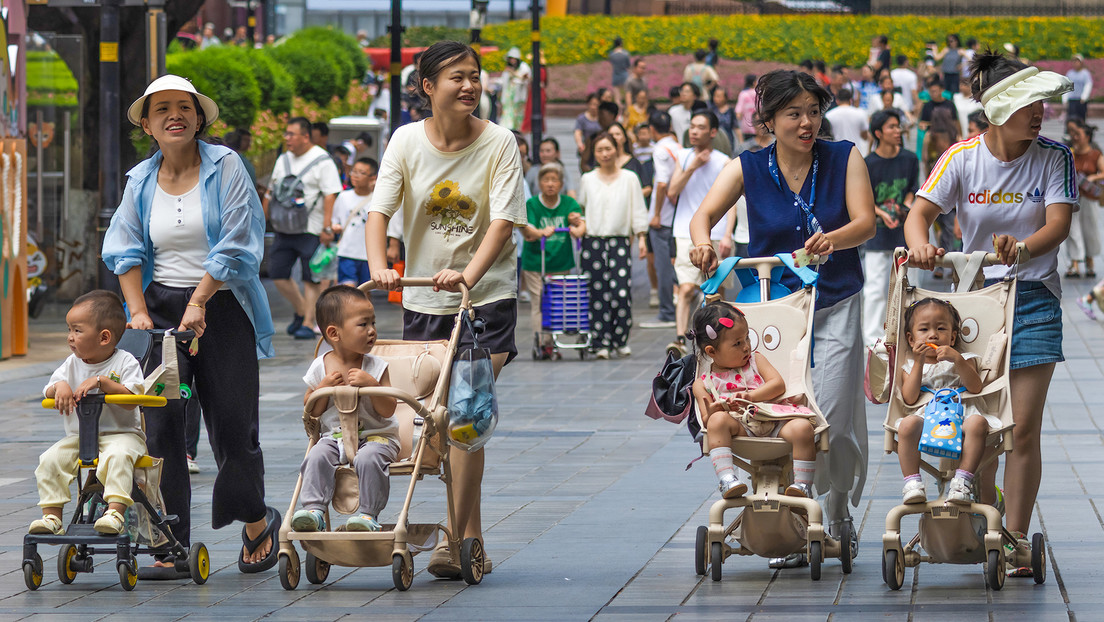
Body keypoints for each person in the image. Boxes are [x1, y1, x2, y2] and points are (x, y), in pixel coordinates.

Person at [689, 70, 876, 559]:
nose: (807, 122)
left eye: (814, 111)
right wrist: (703, 243)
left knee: (830, 416)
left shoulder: (844, 157)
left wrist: (832, 240)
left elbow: (866, 223)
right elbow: (701, 216)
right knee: (779, 416)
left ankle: (836, 510)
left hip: (835, 301)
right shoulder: (747, 166)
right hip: (772, 312)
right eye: (794, 113)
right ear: (768, 120)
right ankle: (792, 523)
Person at [904, 50, 1076, 577]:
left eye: (1042, 103)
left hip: (1033, 299)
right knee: (980, 423)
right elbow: (919, 215)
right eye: (1028, 104)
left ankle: (1016, 538)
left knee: (1020, 428)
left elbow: (1058, 224)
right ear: (997, 109)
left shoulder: (1055, 157)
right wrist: (921, 244)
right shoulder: (960, 157)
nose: (1040, 112)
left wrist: (1021, 249)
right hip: (975, 307)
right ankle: (986, 513)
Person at [102, 74, 279, 573]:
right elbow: (124, 247)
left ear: (199, 118)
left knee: (232, 424)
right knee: (161, 430)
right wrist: (137, 311)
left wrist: (200, 300)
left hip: (221, 305)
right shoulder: (140, 179)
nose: (174, 115)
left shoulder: (226, 166)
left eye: (184, 106)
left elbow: (239, 240)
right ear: (147, 125)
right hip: (160, 309)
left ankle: (255, 518)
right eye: (161, 109)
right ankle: (169, 540)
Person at [365, 41, 527, 578]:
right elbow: (379, 211)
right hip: (423, 302)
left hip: (486, 300)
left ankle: (455, 540)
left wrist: (468, 276)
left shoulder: (500, 142)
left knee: (466, 415)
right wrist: (379, 265)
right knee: (435, 423)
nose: (469, 85)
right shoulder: (405, 140)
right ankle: (469, 538)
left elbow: (503, 222)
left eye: (475, 75)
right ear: (427, 87)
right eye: (457, 77)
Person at [30, 290, 146, 537]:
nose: (70, 337)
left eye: (77, 330)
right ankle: (52, 517)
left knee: (118, 456)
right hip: (80, 438)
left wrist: (101, 382)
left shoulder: (125, 362)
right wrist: (60, 387)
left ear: (104, 337)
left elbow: (132, 398)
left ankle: (114, 513)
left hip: (122, 435)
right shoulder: (71, 363)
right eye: (69, 330)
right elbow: (49, 389)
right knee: (50, 459)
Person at [292, 286, 398, 533]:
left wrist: (372, 386)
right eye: (363, 324)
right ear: (334, 333)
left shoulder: (377, 366)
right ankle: (314, 510)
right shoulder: (320, 366)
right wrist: (322, 388)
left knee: (368, 459)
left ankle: (368, 514)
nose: (372, 331)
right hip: (334, 438)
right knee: (316, 456)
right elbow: (311, 409)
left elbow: (388, 410)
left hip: (377, 437)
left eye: (373, 323)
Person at [690, 301, 818, 500]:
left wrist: (751, 396)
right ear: (711, 352)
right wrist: (715, 412)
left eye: (747, 338)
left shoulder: (756, 360)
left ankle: (802, 485)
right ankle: (727, 479)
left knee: (803, 428)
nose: (746, 347)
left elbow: (778, 385)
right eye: (737, 343)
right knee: (716, 421)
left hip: (773, 420)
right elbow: (706, 420)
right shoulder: (703, 384)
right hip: (740, 428)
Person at [896, 298, 988, 504]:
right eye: (924, 329)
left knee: (979, 424)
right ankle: (912, 483)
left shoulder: (964, 359)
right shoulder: (910, 366)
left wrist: (958, 360)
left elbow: (976, 387)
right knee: (906, 425)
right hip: (927, 415)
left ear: (953, 336)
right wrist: (919, 363)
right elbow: (909, 398)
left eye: (941, 328)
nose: (933, 335)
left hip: (962, 413)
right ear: (911, 339)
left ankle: (962, 481)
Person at [264, 116, 344, 339]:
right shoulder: (283, 159)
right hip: (284, 228)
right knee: (277, 273)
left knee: (311, 278)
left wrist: (326, 227)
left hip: (312, 229)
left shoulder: (322, 161)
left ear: (306, 136)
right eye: (286, 133)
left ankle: (308, 323)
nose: (287, 138)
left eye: (291, 134)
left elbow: (330, 195)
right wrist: (263, 217)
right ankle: (301, 310)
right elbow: (271, 191)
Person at [667, 111, 734, 355]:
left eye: (700, 127)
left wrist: (727, 234)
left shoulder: (724, 162)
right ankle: (679, 338)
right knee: (686, 288)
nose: (694, 131)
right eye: (692, 126)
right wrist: (692, 166)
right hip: (685, 232)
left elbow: (732, 203)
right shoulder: (683, 156)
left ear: (713, 132)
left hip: (717, 232)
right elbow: (672, 191)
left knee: (717, 291)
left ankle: (717, 339)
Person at [577, 132, 648, 359]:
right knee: (596, 293)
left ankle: (620, 339)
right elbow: (581, 209)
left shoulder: (630, 178)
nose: (604, 154)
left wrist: (642, 236)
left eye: (608, 148)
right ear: (594, 153)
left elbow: (638, 209)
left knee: (620, 293)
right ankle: (600, 342)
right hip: (593, 242)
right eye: (599, 150)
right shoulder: (587, 179)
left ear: (617, 149)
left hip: (619, 242)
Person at [862, 110, 919, 347]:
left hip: (904, 234)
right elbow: (864, 198)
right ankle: (873, 342)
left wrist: (904, 206)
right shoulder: (868, 164)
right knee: (876, 289)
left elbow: (913, 189)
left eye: (898, 126)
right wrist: (883, 213)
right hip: (876, 236)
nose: (898, 131)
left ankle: (909, 333)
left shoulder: (909, 159)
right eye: (892, 127)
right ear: (878, 133)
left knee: (908, 286)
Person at [520, 163, 586, 357]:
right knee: (539, 302)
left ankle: (553, 341)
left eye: (554, 180)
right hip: (536, 262)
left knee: (558, 303)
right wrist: (541, 232)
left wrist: (576, 225)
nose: (550, 184)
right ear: (539, 183)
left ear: (561, 184)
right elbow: (527, 229)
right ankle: (543, 343)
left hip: (561, 262)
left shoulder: (568, 204)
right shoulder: (532, 204)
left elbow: (581, 225)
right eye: (546, 180)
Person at [639, 111, 680, 330]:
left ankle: (667, 312)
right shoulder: (678, 147)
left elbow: (662, 183)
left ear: (652, 130)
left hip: (663, 218)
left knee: (663, 266)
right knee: (674, 262)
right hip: (677, 214)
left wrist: (655, 214)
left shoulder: (660, 150)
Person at [1060, 118, 1102, 279]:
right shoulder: (1070, 152)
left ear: (1087, 136)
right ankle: (1075, 263)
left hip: (1090, 197)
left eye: (1078, 134)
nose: (1075, 137)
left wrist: (1093, 178)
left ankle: (1090, 262)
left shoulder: (1095, 154)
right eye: (1073, 134)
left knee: (1089, 230)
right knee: (1072, 230)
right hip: (1072, 197)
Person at [332, 158, 379, 287]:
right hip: (346, 252)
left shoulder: (378, 199)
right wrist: (335, 227)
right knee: (348, 288)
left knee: (365, 290)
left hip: (369, 255)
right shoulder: (343, 197)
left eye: (362, 173)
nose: (355, 176)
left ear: (373, 177)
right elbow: (335, 220)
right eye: (354, 171)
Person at [825, 88, 870, 155]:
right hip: (856, 151)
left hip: (837, 152)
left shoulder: (829, 115)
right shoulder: (860, 113)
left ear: (837, 100)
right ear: (851, 100)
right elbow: (865, 135)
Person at [498, 48, 531, 131]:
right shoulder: (508, 69)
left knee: (518, 113)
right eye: (510, 58)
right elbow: (503, 81)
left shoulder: (523, 67)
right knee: (508, 112)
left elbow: (525, 78)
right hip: (509, 95)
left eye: (514, 58)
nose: (512, 60)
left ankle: (517, 129)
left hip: (518, 94)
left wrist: (514, 74)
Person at [574, 93, 603, 160]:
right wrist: (580, 144)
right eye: (591, 104)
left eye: (596, 105)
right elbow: (578, 132)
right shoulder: (581, 118)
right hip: (587, 148)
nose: (593, 107)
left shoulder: (603, 118)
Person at [1064, 54, 1093, 122]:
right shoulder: (1070, 73)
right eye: (1074, 61)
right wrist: (1065, 98)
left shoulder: (1085, 73)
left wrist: (1084, 97)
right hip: (1071, 99)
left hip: (1081, 100)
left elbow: (1088, 85)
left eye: (1077, 61)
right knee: (1071, 119)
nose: (1075, 63)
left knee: (1081, 119)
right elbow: (1066, 86)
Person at [608, 37, 631, 104]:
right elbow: (628, 65)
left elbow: (611, 63)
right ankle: (628, 108)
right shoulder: (625, 53)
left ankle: (618, 108)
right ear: (621, 43)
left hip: (615, 75)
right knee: (627, 93)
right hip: (624, 74)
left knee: (617, 96)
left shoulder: (611, 54)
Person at [735, 74, 758, 139]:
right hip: (758, 128)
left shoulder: (743, 94)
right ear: (754, 82)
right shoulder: (758, 93)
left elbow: (738, 112)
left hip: (746, 128)